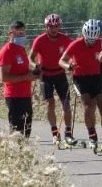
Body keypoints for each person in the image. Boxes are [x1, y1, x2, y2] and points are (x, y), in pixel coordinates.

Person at [59, 19, 102, 151]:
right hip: (80, 78)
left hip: (96, 77)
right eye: (88, 40)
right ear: (84, 35)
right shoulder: (75, 44)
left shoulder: (100, 43)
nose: (91, 43)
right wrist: (69, 66)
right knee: (88, 106)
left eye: (93, 40)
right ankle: (92, 135)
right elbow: (61, 60)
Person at [29, 13, 74, 147]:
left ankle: (68, 132)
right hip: (45, 75)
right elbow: (30, 57)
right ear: (46, 27)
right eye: (50, 26)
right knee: (50, 103)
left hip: (60, 73)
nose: (53, 29)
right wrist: (34, 66)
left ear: (59, 26)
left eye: (56, 26)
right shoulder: (40, 40)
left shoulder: (65, 39)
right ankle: (55, 132)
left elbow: (73, 53)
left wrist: (71, 65)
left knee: (66, 104)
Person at [0, 21, 39, 139]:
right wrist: (26, 77)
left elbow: (23, 69)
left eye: (22, 33)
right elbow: (4, 77)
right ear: (10, 34)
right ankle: (15, 154)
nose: (21, 36)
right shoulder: (7, 51)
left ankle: (23, 153)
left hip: (25, 94)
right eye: (18, 33)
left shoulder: (21, 49)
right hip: (14, 96)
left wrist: (34, 72)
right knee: (16, 130)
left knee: (27, 129)